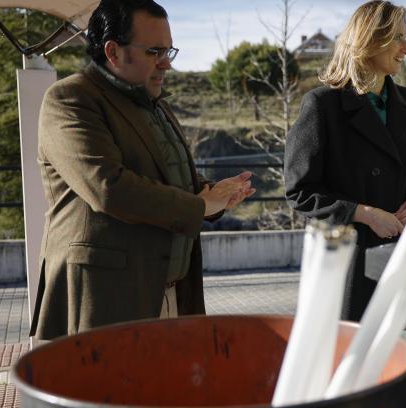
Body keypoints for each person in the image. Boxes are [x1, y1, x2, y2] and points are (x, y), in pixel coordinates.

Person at [30, 0, 255, 340]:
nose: (166, 64)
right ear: (113, 51)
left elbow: (165, 178)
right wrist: (201, 205)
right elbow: (108, 187)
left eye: (169, 51)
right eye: (154, 51)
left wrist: (213, 192)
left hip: (168, 292)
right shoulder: (70, 99)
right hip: (106, 301)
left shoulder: (154, 103)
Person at [285, 0, 406, 321]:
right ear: (369, 40)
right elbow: (300, 191)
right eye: (397, 38)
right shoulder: (322, 105)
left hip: (400, 258)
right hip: (346, 266)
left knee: (400, 359)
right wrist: (363, 214)